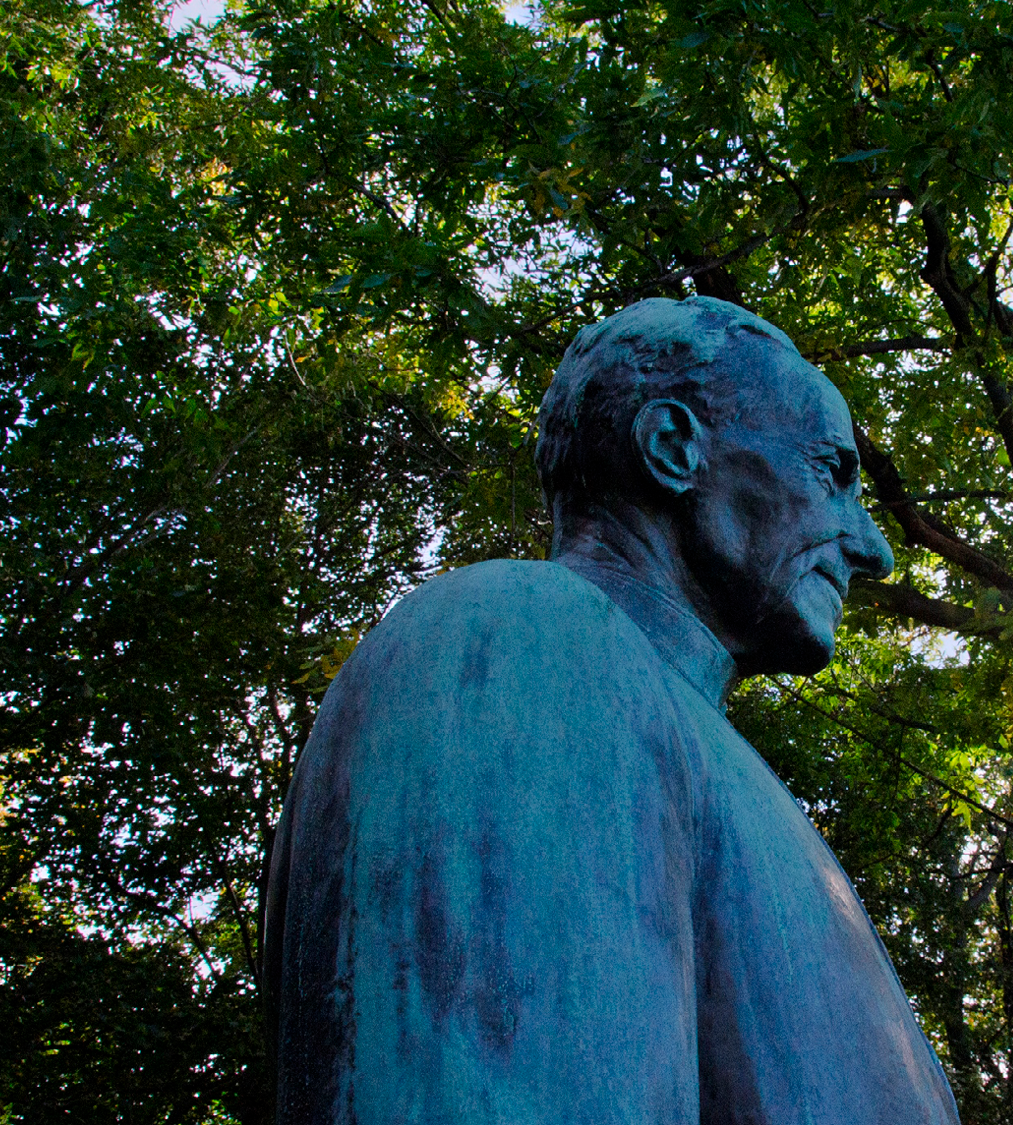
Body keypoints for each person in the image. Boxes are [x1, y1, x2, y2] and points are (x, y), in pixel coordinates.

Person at [265, 296, 962, 1123]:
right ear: (674, 448)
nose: (872, 548)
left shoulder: (704, 758)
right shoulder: (526, 642)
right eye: (830, 473)